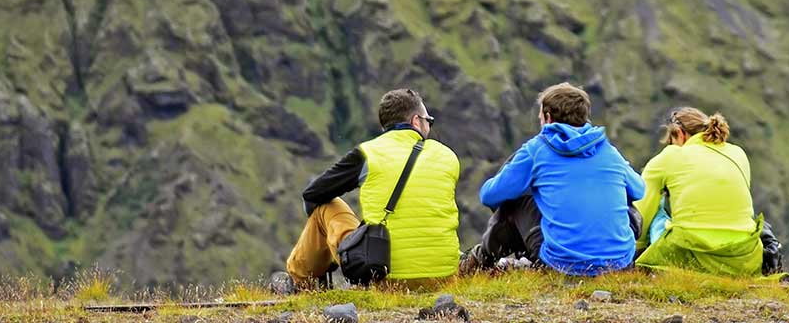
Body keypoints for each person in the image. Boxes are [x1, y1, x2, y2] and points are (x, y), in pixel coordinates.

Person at [272, 88, 460, 292]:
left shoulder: (370, 153)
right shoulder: (448, 156)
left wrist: (343, 243)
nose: (428, 126)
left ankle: (300, 283)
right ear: (416, 121)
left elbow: (312, 194)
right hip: (445, 280)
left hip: (385, 281)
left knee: (325, 208)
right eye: (428, 121)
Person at [462, 82, 645, 276]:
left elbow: (489, 196)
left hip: (561, 264)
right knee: (628, 204)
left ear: (547, 118)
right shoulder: (608, 150)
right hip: (619, 263)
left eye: (540, 117)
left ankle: (480, 260)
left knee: (513, 201)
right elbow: (638, 190)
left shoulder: (537, 149)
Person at [634, 107, 783, 275]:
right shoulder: (738, 153)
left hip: (690, 257)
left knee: (656, 206)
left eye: (671, 141)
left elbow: (641, 214)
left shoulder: (670, 156)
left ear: (680, 134)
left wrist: (637, 255)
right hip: (743, 259)